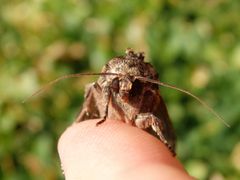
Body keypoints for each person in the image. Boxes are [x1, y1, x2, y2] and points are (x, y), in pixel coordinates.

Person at [58, 119, 194, 179]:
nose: (125, 90)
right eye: (118, 84)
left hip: (145, 140)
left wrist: (166, 143)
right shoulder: (103, 87)